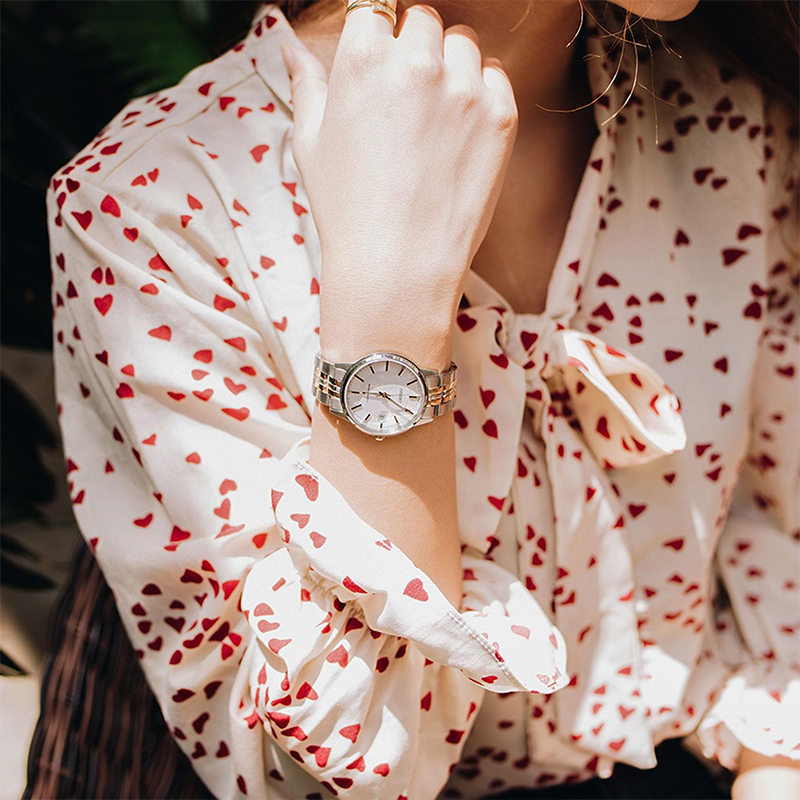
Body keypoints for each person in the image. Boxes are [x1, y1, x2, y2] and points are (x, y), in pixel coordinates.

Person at [45, 0, 799, 798]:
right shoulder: (153, 210)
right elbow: (328, 776)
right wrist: (392, 304)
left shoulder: (729, 115)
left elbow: (779, 543)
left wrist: (774, 765)